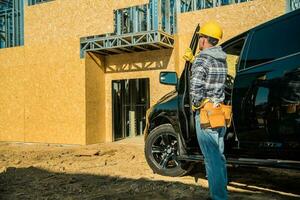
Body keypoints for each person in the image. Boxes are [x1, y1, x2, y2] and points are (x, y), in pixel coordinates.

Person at [184, 21, 228, 200]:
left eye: (200, 36)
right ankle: (221, 192)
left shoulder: (202, 58)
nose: (199, 39)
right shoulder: (222, 59)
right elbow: (213, 76)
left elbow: (196, 87)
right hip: (220, 114)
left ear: (203, 40)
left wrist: (195, 103)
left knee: (211, 160)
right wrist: (194, 61)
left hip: (206, 114)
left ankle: (219, 197)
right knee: (219, 156)